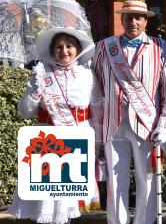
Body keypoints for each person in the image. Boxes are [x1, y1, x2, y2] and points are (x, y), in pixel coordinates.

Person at [91, 0, 166, 224]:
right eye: (128, 17)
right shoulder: (104, 47)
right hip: (113, 125)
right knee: (115, 183)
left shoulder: (160, 47)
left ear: (146, 21)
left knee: (147, 181)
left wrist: (164, 126)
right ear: (121, 19)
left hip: (147, 125)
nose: (132, 21)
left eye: (138, 17)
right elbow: (96, 89)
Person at [8, 27, 99, 224]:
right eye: (59, 47)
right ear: (52, 50)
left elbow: (97, 110)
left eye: (69, 46)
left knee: (69, 200)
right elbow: (25, 112)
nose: (64, 50)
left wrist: (96, 143)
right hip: (48, 141)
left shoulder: (88, 75)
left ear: (77, 48)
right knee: (47, 199)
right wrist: (34, 93)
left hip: (77, 137)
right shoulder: (40, 74)